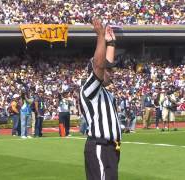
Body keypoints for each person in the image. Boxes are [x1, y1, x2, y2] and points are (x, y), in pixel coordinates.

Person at [80, 19, 121, 180]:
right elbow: (99, 65)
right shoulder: (90, 89)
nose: (111, 73)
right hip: (99, 145)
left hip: (111, 147)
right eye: (107, 71)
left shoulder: (104, 92)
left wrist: (111, 43)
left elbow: (105, 64)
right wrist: (100, 36)